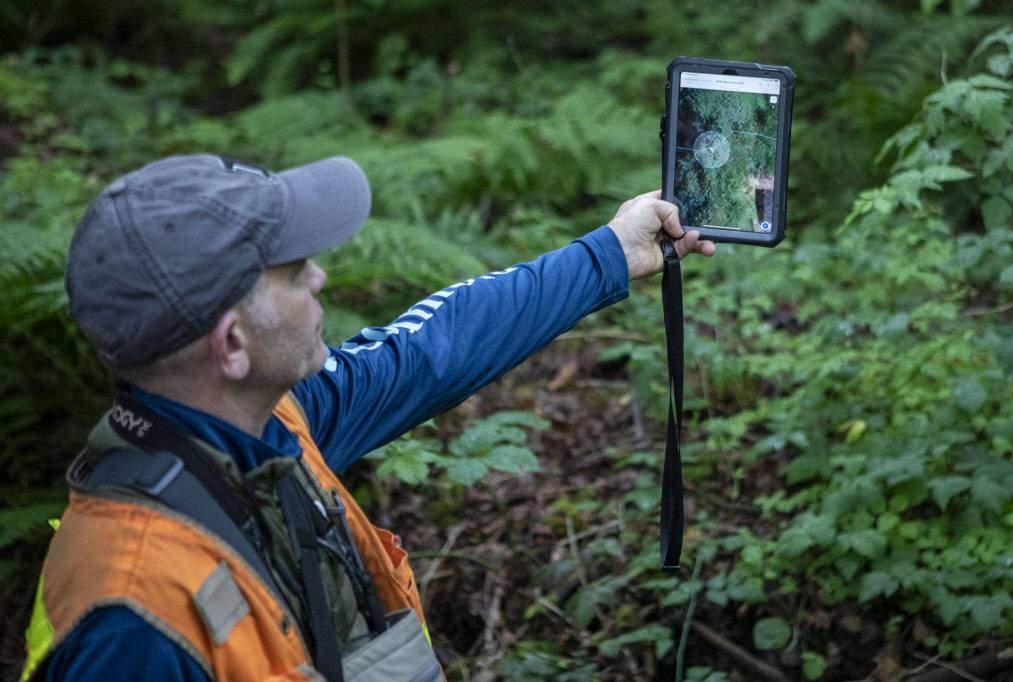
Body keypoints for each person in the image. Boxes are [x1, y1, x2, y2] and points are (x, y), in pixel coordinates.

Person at [21, 154, 714, 681]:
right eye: (292, 273)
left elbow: (432, 351)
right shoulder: (131, 616)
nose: (319, 276)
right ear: (231, 345)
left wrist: (608, 255)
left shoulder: (269, 427)